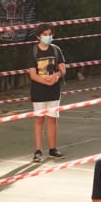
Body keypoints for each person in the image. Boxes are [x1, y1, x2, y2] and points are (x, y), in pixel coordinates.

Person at [29, 25, 67, 162]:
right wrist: (46, 82)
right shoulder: (33, 51)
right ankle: (38, 150)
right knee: (39, 120)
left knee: (52, 119)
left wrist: (57, 75)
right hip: (38, 91)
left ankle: (53, 148)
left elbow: (63, 69)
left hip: (54, 91)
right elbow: (33, 74)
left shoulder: (56, 50)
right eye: (45, 34)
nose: (48, 37)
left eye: (50, 34)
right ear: (38, 36)